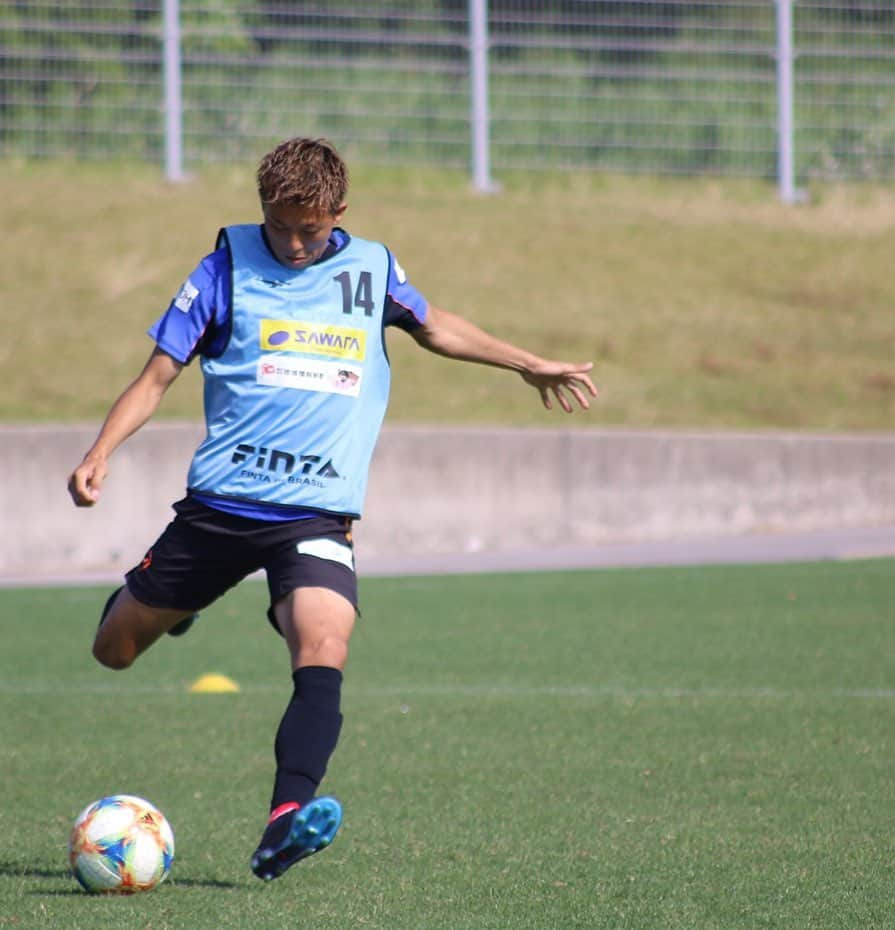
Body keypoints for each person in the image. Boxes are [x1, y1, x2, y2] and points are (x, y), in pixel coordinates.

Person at [67, 137, 597, 881]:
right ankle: (169, 604)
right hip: (219, 510)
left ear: (337, 214)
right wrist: (99, 453)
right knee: (114, 651)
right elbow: (157, 376)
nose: (290, 243)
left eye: (308, 231)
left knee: (325, 645)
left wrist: (527, 363)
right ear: (261, 210)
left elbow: (437, 324)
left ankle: (285, 820)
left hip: (315, 515)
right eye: (278, 226)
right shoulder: (223, 269)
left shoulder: (371, 268)